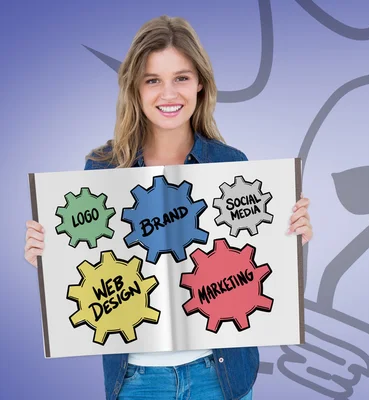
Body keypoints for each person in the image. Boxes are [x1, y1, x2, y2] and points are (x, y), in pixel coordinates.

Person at [23, 15, 313, 400]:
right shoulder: (102, 168)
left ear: (200, 85)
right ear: (135, 89)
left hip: (220, 375)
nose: (169, 93)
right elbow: (89, 275)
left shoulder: (229, 164)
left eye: (181, 77)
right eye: (153, 80)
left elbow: (257, 272)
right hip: (138, 381)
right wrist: (49, 259)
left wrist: (292, 240)